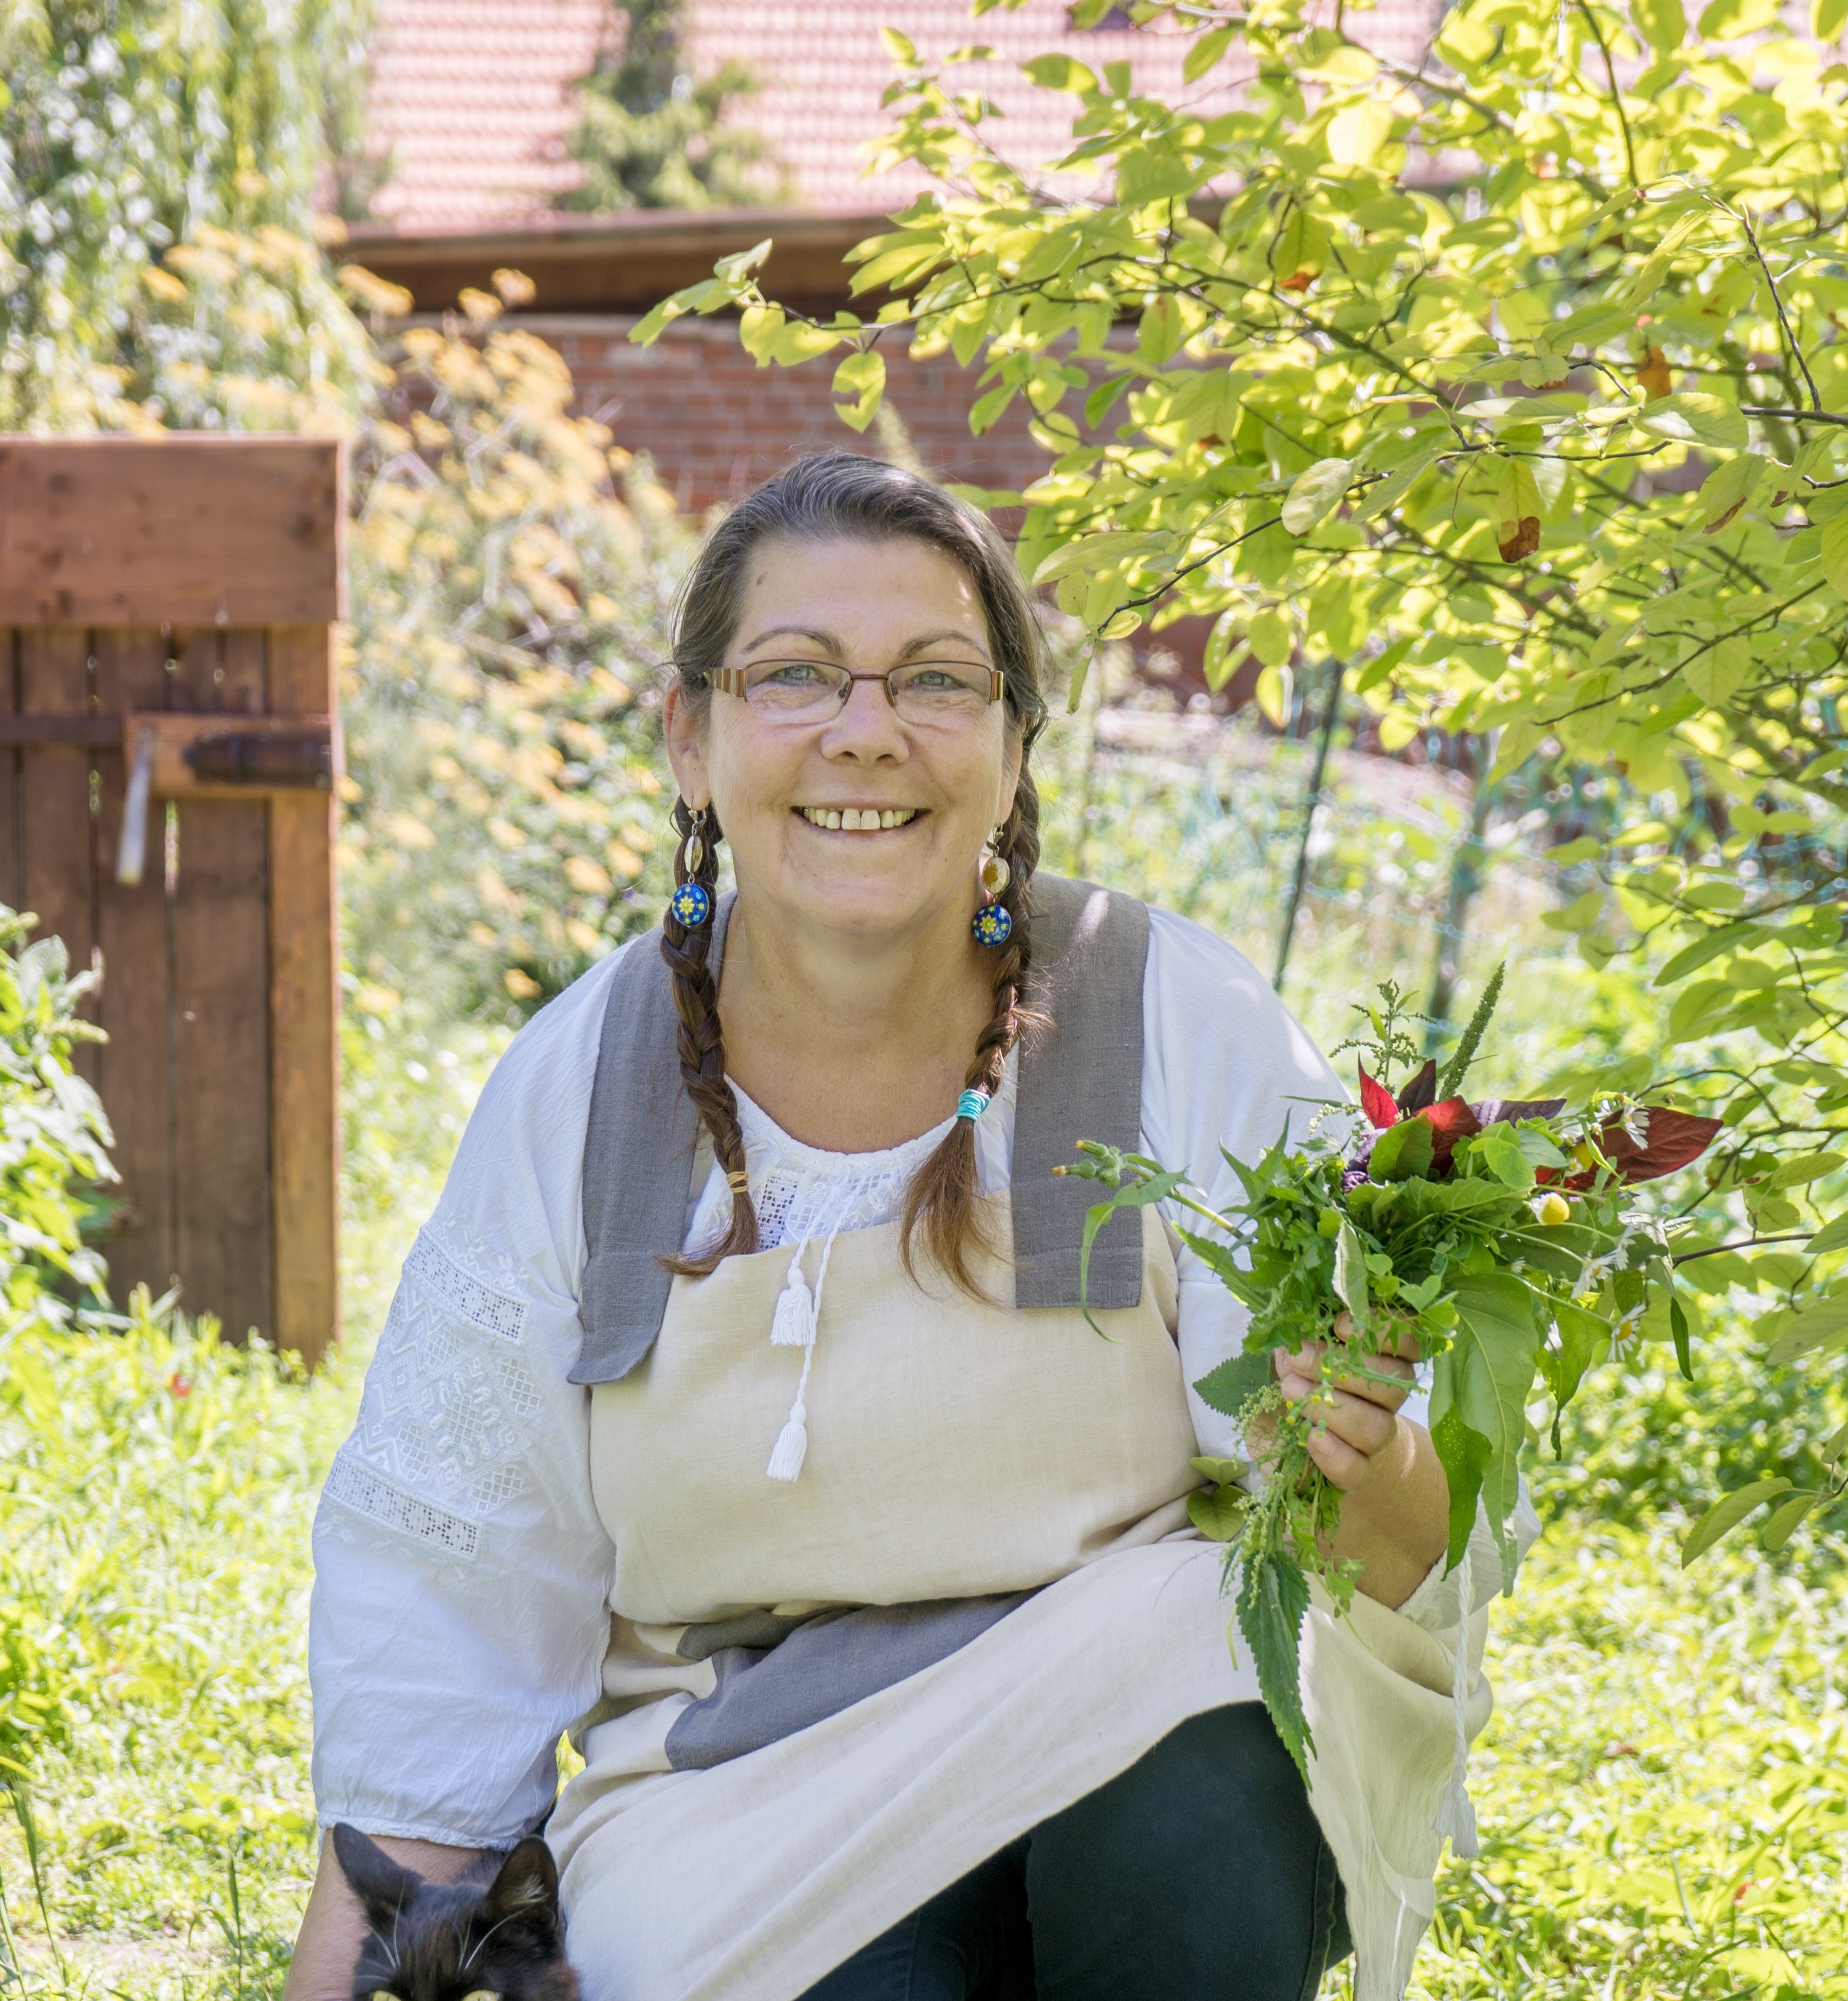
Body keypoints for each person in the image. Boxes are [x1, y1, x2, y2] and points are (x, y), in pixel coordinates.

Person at [287, 452, 1534, 2001]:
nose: (865, 729)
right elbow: (451, 1578)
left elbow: (1393, 1553)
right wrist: (382, 1938)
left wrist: (1362, 1447)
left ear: (1013, 745)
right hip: (742, 1807)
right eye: (794, 675)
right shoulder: (584, 1090)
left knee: (1219, 1760)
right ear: (691, 735)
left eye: (936, 680)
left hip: (1132, 1730)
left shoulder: (1171, 1020)